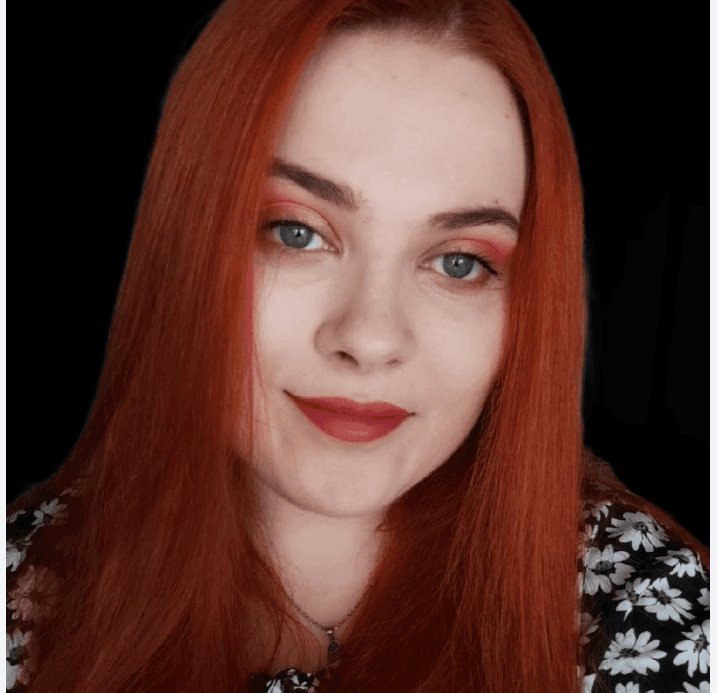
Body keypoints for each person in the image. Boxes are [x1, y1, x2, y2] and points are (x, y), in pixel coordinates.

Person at [6, 0, 709, 692]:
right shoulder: (21, 595)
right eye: (296, 232)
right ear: (184, 242)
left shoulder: (642, 607)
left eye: (459, 262)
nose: (370, 339)